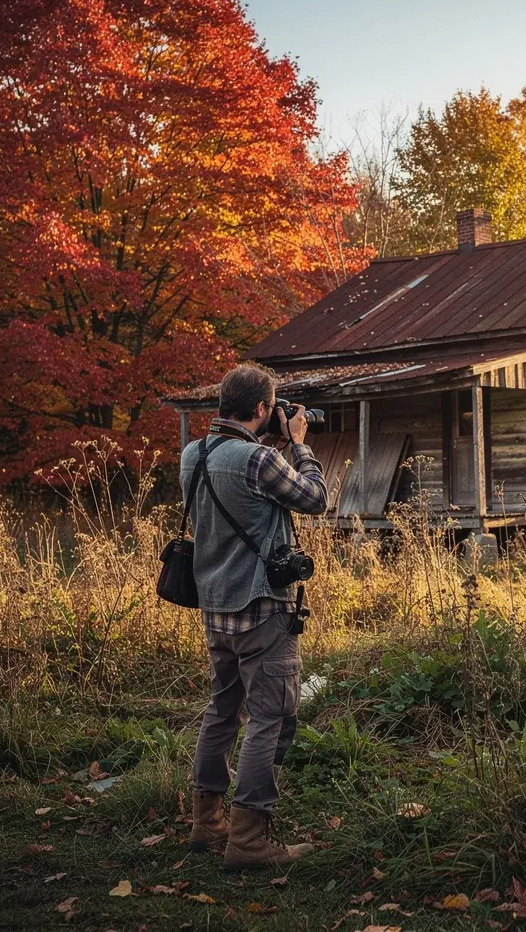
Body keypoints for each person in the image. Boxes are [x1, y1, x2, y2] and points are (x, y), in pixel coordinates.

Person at [179, 363, 327, 868]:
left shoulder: (193, 454)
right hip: (262, 607)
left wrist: (271, 444)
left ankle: (206, 821)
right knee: (271, 716)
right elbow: (314, 498)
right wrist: (299, 444)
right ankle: (248, 840)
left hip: (215, 605)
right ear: (263, 408)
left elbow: (240, 492)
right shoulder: (261, 459)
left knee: (223, 710)